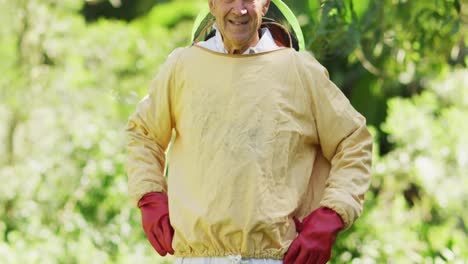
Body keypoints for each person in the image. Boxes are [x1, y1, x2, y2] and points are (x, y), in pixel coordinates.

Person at [126, 0, 373, 263]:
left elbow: (353, 141)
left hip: (276, 258)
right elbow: (144, 134)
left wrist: (331, 215)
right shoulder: (181, 66)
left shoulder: (300, 71)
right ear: (211, 4)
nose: (240, 9)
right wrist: (150, 196)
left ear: (265, 5)